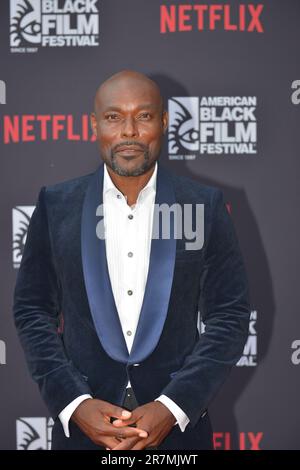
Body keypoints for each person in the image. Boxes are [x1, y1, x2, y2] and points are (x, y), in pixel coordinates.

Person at [13, 70, 251, 450]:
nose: (128, 131)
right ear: (94, 125)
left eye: (143, 116)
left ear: (164, 122)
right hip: (83, 432)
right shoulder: (57, 205)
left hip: (177, 436)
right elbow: (31, 310)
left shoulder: (201, 205)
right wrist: (75, 403)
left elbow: (230, 315)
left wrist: (173, 406)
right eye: (113, 117)